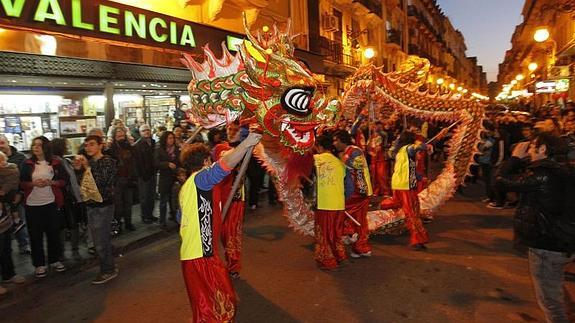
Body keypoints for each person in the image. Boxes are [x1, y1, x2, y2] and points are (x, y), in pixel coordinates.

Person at [179, 132, 261, 322]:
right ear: (206, 161)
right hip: (200, 255)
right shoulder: (201, 179)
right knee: (218, 305)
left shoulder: (188, 186)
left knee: (208, 306)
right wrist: (247, 143)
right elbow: (225, 165)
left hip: (195, 254)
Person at [496, 133, 574, 323]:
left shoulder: (543, 175)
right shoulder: (567, 171)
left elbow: (499, 181)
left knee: (549, 301)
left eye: (533, 146)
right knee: (554, 289)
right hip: (564, 240)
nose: (529, 150)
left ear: (544, 149)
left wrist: (514, 158)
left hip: (547, 245)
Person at [387, 130, 444, 251]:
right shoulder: (408, 148)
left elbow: (409, 168)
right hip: (406, 186)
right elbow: (419, 146)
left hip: (397, 185)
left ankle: (382, 207)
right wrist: (427, 145)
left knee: (398, 205)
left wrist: (420, 177)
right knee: (413, 213)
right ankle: (418, 239)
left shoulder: (400, 151)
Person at [20, 136, 68, 277]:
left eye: (39, 145)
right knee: (35, 236)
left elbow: (64, 180)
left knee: (53, 233)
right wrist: (33, 184)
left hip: (51, 203)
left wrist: (51, 183)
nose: (36, 147)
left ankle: (54, 260)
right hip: (32, 205)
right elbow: (22, 183)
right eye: (34, 145)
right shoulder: (27, 163)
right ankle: (39, 264)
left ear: (45, 147)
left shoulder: (55, 162)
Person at [74, 135, 118, 285]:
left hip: (103, 205)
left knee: (101, 241)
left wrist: (86, 167)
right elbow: (84, 185)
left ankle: (108, 270)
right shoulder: (91, 162)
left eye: (92, 144)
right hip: (91, 205)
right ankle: (108, 266)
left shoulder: (108, 162)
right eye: (86, 145)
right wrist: (79, 170)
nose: (88, 148)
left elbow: (101, 182)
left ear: (101, 145)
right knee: (97, 239)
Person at [332, 130, 373, 258]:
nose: (334, 143)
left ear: (342, 140)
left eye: (335, 140)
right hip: (356, 192)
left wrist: (342, 162)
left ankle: (351, 237)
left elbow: (358, 169)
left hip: (358, 192)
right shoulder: (348, 152)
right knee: (358, 221)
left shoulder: (354, 151)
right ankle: (360, 247)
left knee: (341, 214)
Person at [213, 121, 246, 278]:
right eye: (229, 129)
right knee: (221, 234)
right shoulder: (221, 148)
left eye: (235, 130)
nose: (232, 132)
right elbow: (227, 159)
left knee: (232, 234)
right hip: (221, 197)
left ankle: (233, 266)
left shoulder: (247, 148)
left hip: (236, 198)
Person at [313, 134, 347, 270]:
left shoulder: (316, 159)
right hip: (339, 203)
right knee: (335, 233)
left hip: (325, 204)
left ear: (320, 147)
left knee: (324, 234)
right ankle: (339, 255)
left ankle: (328, 260)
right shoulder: (339, 162)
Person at [51, 138, 83, 260]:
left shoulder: (64, 161)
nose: (67, 147)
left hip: (65, 197)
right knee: (71, 224)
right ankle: (72, 250)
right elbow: (70, 180)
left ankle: (63, 252)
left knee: (65, 226)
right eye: (65, 145)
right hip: (66, 197)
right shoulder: (59, 162)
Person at [0, 135, 30, 255]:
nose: (0, 145)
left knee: (20, 220)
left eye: (2, 142)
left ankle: (24, 244)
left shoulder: (20, 157)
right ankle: (7, 248)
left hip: (16, 196)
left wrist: (19, 194)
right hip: (3, 199)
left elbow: (22, 177)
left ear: (8, 142)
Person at [108, 127, 137, 232]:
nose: (121, 137)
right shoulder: (111, 149)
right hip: (118, 180)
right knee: (118, 205)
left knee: (128, 203)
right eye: (118, 136)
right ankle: (118, 224)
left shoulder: (129, 147)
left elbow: (133, 161)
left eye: (122, 135)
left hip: (128, 178)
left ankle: (128, 223)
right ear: (114, 137)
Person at [154, 131, 180, 228]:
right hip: (165, 177)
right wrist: (167, 164)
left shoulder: (176, 149)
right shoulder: (160, 149)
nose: (171, 140)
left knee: (174, 200)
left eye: (172, 138)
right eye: (169, 138)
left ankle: (174, 217)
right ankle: (162, 221)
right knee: (163, 201)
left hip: (174, 177)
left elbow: (179, 160)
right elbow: (156, 163)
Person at [133, 124, 158, 224]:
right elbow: (137, 162)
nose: (146, 132)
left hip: (152, 173)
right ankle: (145, 216)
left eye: (148, 130)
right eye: (144, 131)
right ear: (140, 133)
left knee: (152, 196)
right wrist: (142, 175)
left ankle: (150, 215)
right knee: (144, 196)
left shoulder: (153, 142)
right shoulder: (138, 145)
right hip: (144, 175)